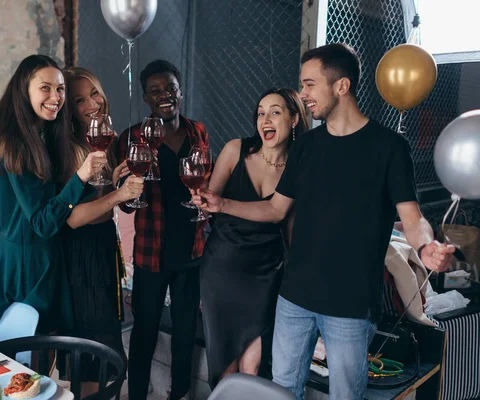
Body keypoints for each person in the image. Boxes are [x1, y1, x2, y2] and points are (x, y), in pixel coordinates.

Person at [192, 43, 455, 399]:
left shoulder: (389, 147)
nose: (303, 94)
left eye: (309, 84)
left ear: (341, 86)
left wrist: (426, 246)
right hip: (294, 298)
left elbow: (413, 218)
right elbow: (274, 210)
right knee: (283, 391)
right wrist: (221, 203)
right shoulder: (306, 146)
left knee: (345, 395)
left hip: (350, 304)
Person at [0, 55, 107, 334]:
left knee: (42, 357)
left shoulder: (42, 134)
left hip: (41, 256)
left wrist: (104, 181)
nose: (55, 97)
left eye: (60, 89)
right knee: (27, 361)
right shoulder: (15, 144)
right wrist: (82, 175)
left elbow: (53, 202)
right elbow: (43, 223)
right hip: (26, 263)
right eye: (45, 88)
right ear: (24, 91)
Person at [200, 87, 309, 388]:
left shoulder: (298, 168)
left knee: (253, 365)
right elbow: (211, 201)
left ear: (295, 119)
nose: (265, 119)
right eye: (261, 113)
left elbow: (285, 221)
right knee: (226, 364)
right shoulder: (236, 150)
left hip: (264, 274)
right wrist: (201, 199)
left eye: (275, 111)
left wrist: (294, 270)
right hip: (222, 267)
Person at [117, 59, 210, 400]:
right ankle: (138, 394)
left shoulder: (197, 131)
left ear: (180, 91)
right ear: (146, 97)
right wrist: (130, 188)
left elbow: (205, 179)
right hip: (150, 255)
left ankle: (179, 394)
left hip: (191, 251)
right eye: (155, 90)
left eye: (170, 88)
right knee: (144, 331)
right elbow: (125, 203)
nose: (164, 95)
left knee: (186, 331)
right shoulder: (133, 138)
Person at [61, 67, 144, 397]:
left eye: (94, 93)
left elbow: (100, 201)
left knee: (104, 356)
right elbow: (74, 217)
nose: (92, 103)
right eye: (80, 100)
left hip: (103, 251)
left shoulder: (102, 140)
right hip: (81, 258)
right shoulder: (70, 147)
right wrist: (118, 194)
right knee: (98, 359)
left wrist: (116, 184)